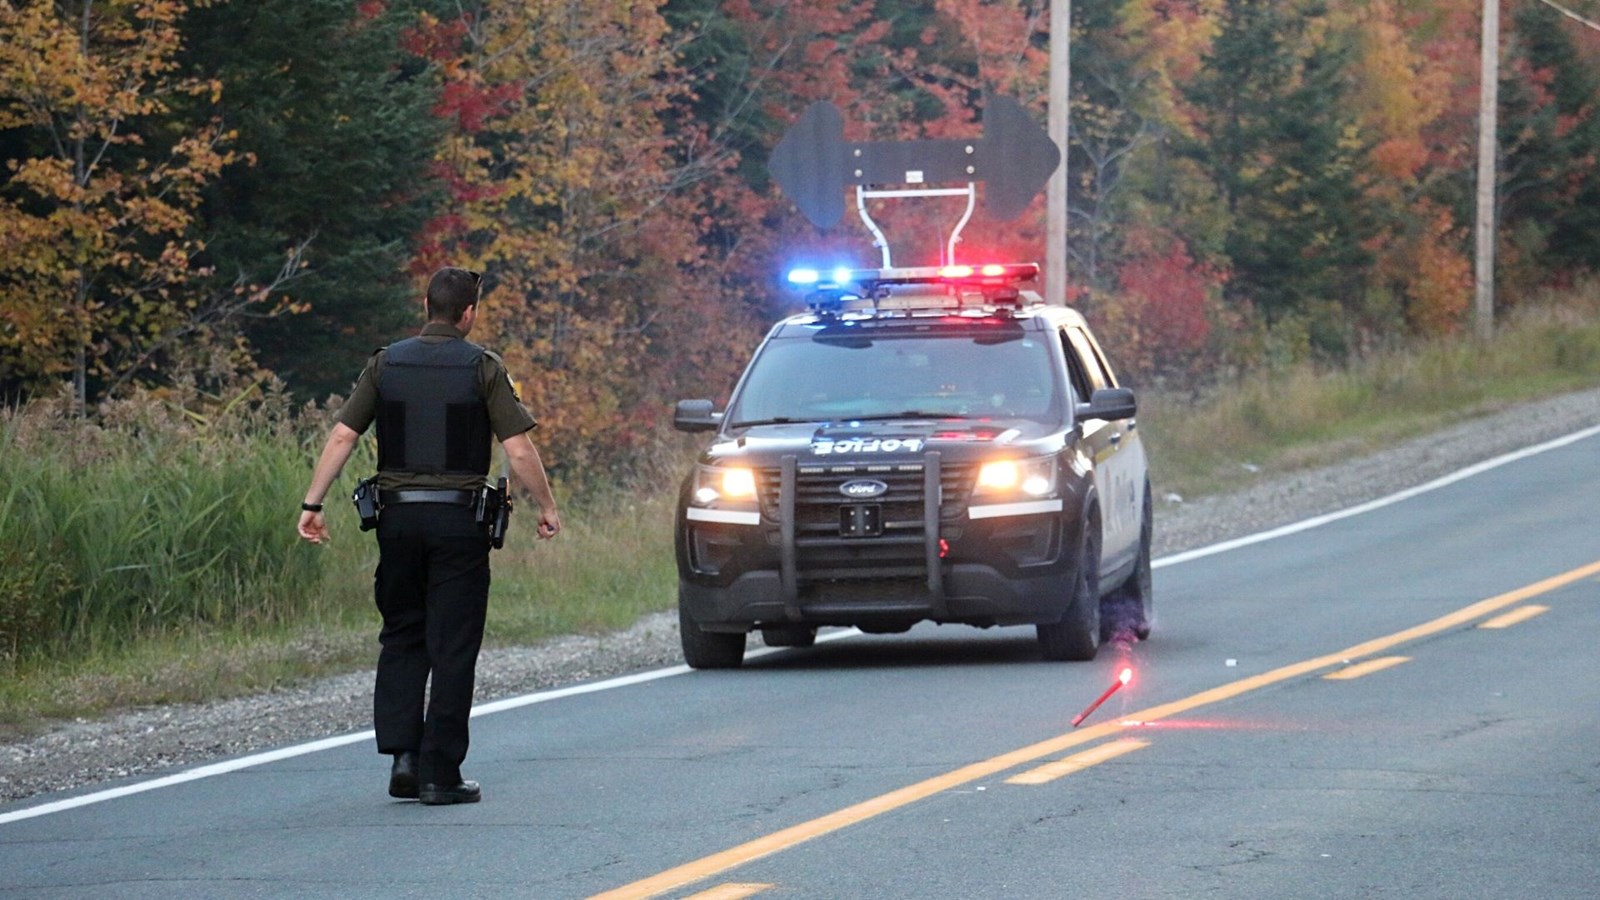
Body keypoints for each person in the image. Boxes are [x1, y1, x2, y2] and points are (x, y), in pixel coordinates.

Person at [297, 266, 560, 806]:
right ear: (468, 313)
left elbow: (344, 433)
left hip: (396, 523)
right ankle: (441, 774)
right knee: (453, 644)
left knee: (402, 633)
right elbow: (517, 449)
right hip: (459, 524)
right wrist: (546, 505)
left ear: (426, 304)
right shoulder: (482, 366)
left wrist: (312, 503)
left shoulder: (385, 362)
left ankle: (404, 757)